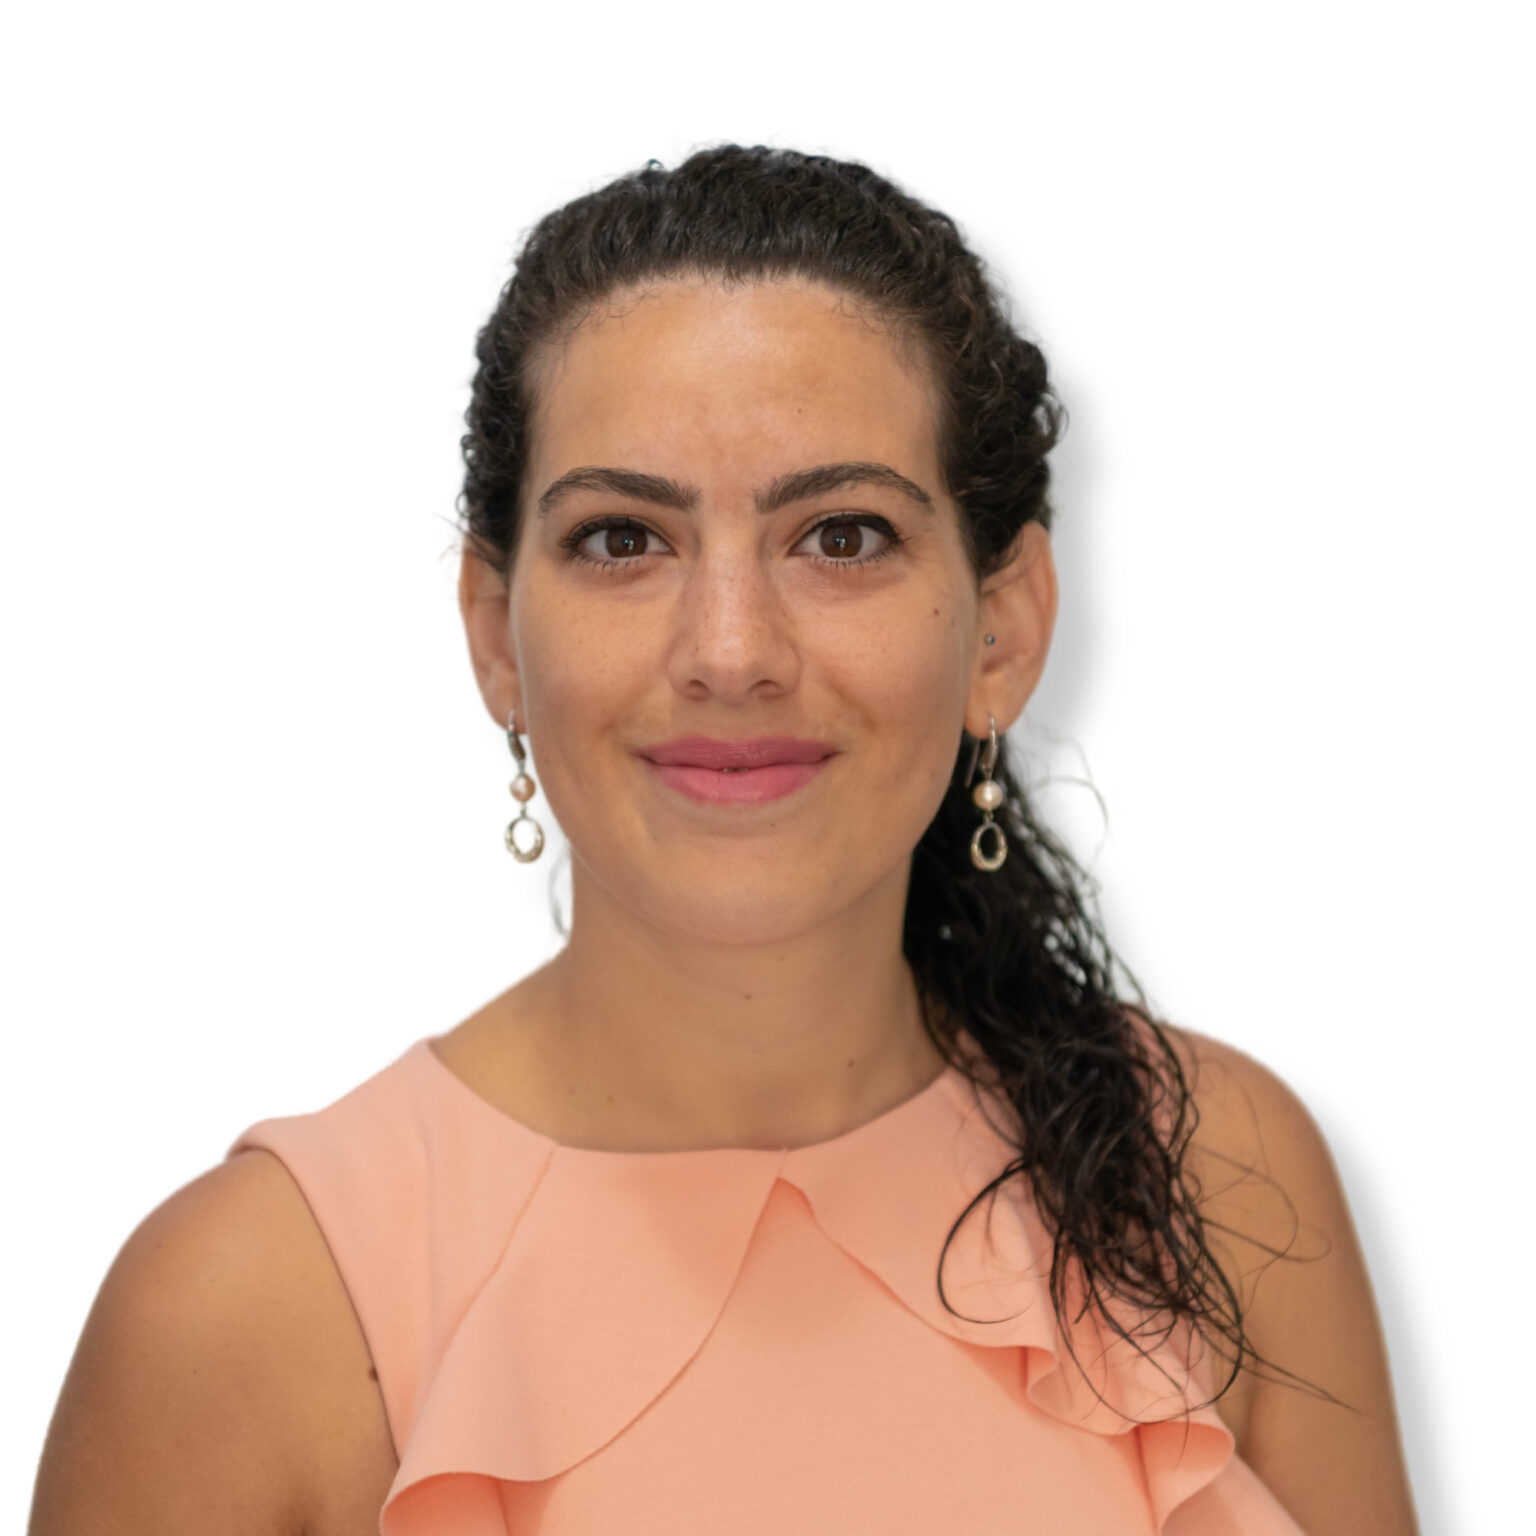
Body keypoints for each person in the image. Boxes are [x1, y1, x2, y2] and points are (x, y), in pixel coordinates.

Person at [29, 145, 1419, 1536]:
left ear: (1005, 627)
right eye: (625, 540)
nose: (732, 652)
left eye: (844, 534)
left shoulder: (1220, 1179)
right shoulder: (246, 1315)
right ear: (492, 636)